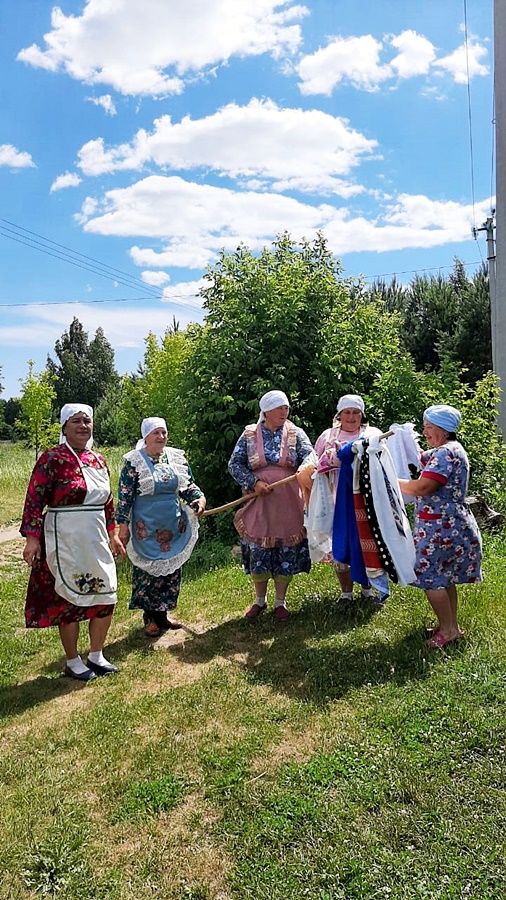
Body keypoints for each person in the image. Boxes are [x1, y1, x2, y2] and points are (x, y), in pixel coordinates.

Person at [20, 403, 126, 682]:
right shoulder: (52, 458)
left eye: (87, 421)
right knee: (67, 598)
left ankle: (96, 654)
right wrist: (32, 539)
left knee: (106, 593)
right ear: (64, 427)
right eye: (76, 421)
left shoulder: (98, 459)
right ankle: (72, 660)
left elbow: (108, 502)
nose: (83, 426)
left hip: (95, 536)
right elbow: (34, 498)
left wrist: (113, 534)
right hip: (64, 537)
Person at [399, 404, 482, 649]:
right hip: (447, 525)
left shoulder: (446, 453)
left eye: (428, 428)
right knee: (444, 576)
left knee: (429, 576)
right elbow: (422, 456)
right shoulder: (450, 450)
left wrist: (391, 482)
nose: (425, 432)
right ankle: (451, 625)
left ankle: (447, 630)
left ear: (444, 430)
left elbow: (424, 487)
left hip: (441, 527)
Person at [116, 417, 206, 638]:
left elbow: (188, 486)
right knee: (149, 571)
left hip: (173, 525)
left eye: (164, 432)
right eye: (156, 433)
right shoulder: (134, 462)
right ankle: (149, 617)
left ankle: (163, 614)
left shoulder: (175, 458)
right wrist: (122, 525)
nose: (161, 437)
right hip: (145, 527)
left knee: (171, 569)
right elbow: (125, 496)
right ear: (146, 436)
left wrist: (199, 499)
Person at [228, 390, 314, 621]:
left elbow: (311, 456)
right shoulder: (249, 434)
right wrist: (253, 482)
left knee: (285, 551)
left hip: (288, 502)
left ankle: (280, 603)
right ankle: (259, 601)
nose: (284, 412)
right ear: (266, 411)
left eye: (286, 408)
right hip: (259, 501)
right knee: (259, 551)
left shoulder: (296, 433)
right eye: (279, 408)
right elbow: (235, 464)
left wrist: (304, 468)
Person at [314, 394, 382, 603]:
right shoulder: (327, 436)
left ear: (362, 415)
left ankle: (367, 588)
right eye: (347, 412)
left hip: (366, 497)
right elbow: (316, 463)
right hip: (337, 496)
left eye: (356, 413)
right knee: (340, 540)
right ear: (339, 414)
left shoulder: (373, 434)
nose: (351, 417)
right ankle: (346, 592)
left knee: (366, 539)